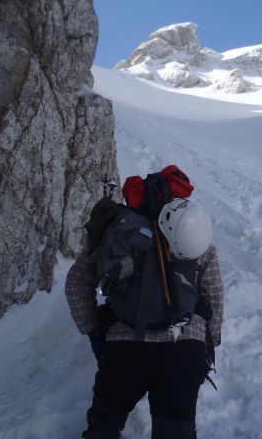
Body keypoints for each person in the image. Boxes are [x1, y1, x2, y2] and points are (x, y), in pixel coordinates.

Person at [65, 169, 223, 439]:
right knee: (176, 431)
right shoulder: (194, 233)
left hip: (125, 349)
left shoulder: (117, 230)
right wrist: (210, 342)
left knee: (104, 426)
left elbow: (76, 283)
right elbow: (214, 294)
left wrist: (93, 329)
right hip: (184, 350)